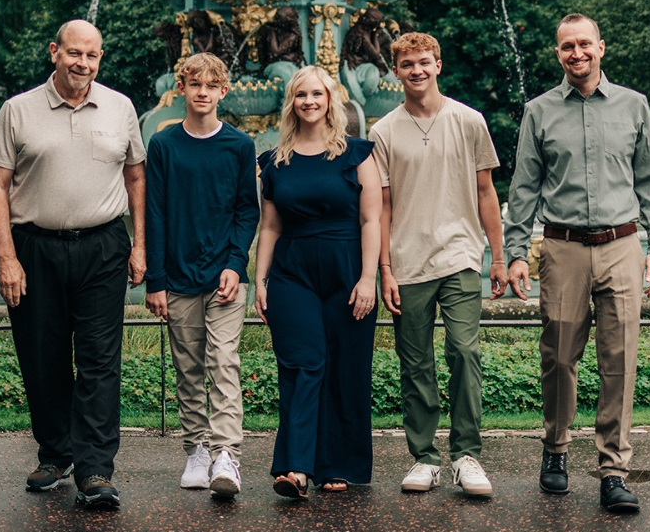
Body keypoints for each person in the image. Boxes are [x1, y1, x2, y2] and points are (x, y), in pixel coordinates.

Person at [503, 13, 650, 514]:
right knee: (558, 356)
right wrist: (515, 253)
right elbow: (524, 187)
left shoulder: (634, 106)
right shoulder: (539, 111)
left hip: (622, 245)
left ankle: (613, 471)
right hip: (563, 248)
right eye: (566, 47)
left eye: (584, 45)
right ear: (558, 54)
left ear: (602, 47)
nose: (576, 53)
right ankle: (555, 450)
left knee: (619, 361)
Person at [0, 20, 147, 510]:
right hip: (35, 248)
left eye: (92, 56)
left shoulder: (120, 107)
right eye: (75, 53)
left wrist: (139, 246)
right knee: (42, 354)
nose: (84, 64)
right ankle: (56, 452)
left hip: (103, 246)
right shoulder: (18, 110)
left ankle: (95, 468)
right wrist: (7, 258)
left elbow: (136, 179)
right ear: (54, 52)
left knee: (99, 360)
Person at [371, 33, 506, 497]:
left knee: (464, 353)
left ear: (438, 65)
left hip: (460, 256)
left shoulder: (469, 121)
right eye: (407, 64)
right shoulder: (383, 131)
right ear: (396, 72)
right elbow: (381, 207)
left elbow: (487, 192)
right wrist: (385, 269)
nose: (416, 71)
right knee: (416, 363)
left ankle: (467, 455)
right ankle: (424, 457)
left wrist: (499, 257)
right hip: (407, 263)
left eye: (424, 62)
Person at [254, 65, 382, 498]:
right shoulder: (274, 161)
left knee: (346, 367)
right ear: (291, 102)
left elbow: (371, 219)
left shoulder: (358, 154)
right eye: (300, 95)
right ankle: (295, 468)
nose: (309, 101)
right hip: (293, 272)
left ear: (331, 101)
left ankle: (337, 464)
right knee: (302, 364)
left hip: (348, 269)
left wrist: (368, 279)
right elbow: (269, 227)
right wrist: (261, 279)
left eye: (317, 94)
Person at [143, 53, 260, 499]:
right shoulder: (164, 145)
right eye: (195, 85)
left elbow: (246, 210)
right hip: (176, 275)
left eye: (211, 85)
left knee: (223, 361)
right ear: (183, 90)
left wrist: (235, 264)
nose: (203, 92)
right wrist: (155, 280)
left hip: (225, 275)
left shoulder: (238, 145)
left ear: (223, 92)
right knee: (187, 366)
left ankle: (226, 453)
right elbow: (154, 213)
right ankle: (196, 448)